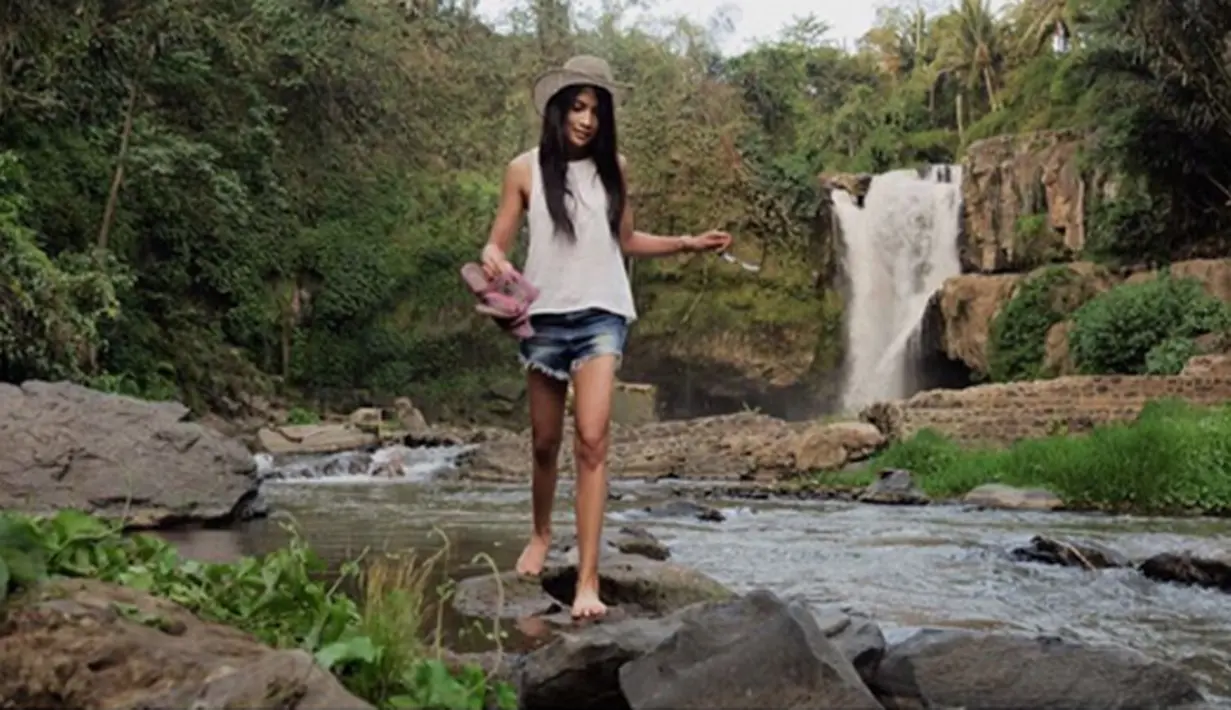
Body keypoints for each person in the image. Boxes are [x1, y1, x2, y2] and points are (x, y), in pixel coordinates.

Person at [480, 55, 733, 620]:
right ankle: (542, 533)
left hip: (602, 314)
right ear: (558, 108)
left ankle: (587, 581)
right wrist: (492, 260)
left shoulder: (613, 166)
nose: (587, 119)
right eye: (578, 106)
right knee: (545, 443)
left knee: (592, 439)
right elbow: (497, 243)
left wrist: (688, 243)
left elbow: (625, 239)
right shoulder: (523, 169)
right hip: (542, 317)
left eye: (596, 109)